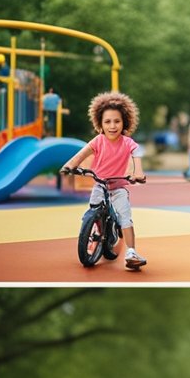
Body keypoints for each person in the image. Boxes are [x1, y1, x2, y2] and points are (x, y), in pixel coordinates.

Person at [60, 90, 147, 270]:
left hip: (118, 186)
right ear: (100, 123)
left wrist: (138, 172)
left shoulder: (127, 142)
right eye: (107, 121)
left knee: (124, 215)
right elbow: (81, 154)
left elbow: (136, 155)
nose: (112, 126)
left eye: (117, 121)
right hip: (100, 184)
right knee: (93, 210)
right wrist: (69, 165)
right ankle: (96, 234)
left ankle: (131, 251)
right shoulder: (98, 141)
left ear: (125, 123)